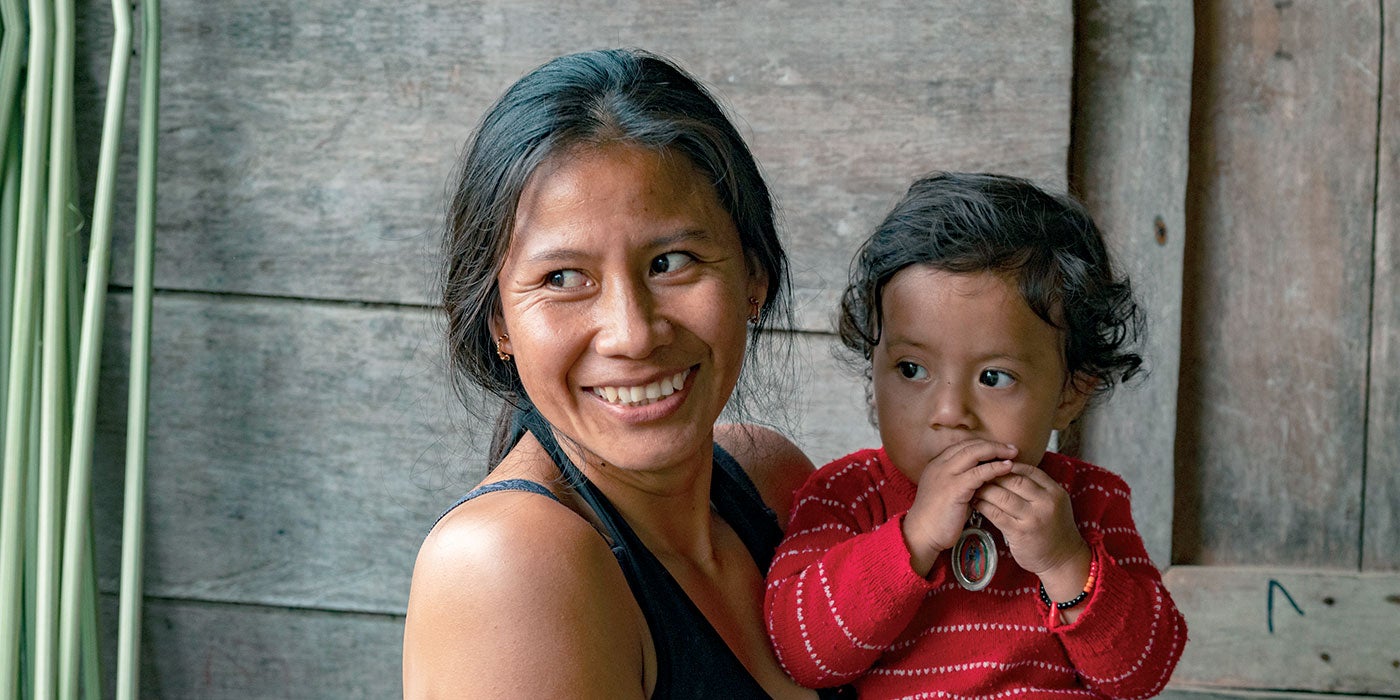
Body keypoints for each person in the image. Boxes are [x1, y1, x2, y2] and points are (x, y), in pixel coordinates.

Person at [403, 48, 842, 699]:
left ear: (754, 276)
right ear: (499, 322)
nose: (632, 332)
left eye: (671, 262)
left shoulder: (773, 482)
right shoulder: (508, 566)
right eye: (563, 279)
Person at [763, 173, 1187, 698]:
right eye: (912, 369)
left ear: (1069, 394)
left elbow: (1141, 675)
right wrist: (913, 539)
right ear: (874, 373)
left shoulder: (1089, 503)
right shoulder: (847, 496)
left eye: (993, 377)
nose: (949, 412)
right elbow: (803, 652)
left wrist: (1063, 561)